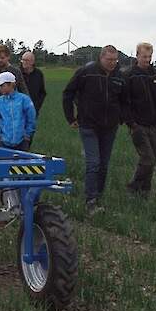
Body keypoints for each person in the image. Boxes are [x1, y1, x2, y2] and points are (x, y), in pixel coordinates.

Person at [63, 45, 125, 212]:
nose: (112, 63)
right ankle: (90, 200)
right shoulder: (86, 72)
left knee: (104, 164)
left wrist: (121, 117)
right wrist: (70, 118)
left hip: (110, 127)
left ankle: (98, 195)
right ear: (101, 57)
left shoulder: (119, 76)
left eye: (115, 60)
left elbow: (124, 99)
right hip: (88, 125)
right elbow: (68, 93)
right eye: (109, 60)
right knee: (93, 163)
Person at [120, 42, 156, 197]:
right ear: (137, 56)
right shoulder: (129, 75)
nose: (147, 60)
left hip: (155, 126)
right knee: (148, 159)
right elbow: (124, 102)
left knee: (152, 160)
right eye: (144, 56)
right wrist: (132, 123)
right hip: (138, 125)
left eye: (149, 57)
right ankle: (133, 186)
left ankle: (145, 191)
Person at [0, 71, 36, 150]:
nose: (0, 88)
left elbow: (31, 118)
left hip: (22, 142)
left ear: (11, 85)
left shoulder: (24, 100)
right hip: (3, 142)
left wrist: (27, 134)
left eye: (2, 85)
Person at [20, 51, 47, 116]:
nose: (24, 62)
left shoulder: (38, 74)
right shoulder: (18, 73)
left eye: (26, 60)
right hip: (18, 110)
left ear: (32, 62)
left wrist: (36, 107)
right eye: (23, 60)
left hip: (33, 110)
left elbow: (42, 92)